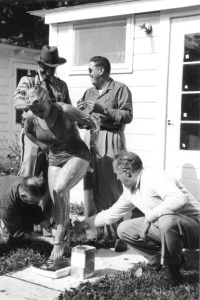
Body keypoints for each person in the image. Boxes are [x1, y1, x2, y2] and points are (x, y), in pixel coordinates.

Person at [85, 151, 200, 286]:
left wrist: (149, 217)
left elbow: (179, 200)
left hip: (194, 228)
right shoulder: (131, 191)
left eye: (117, 173)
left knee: (166, 220)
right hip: (170, 230)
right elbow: (110, 215)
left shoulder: (154, 177)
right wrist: (84, 224)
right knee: (124, 229)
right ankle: (167, 260)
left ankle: (172, 274)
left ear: (126, 172)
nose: (116, 178)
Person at [24, 84, 99, 261]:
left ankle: (57, 243)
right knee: (59, 200)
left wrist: (93, 147)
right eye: (35, 111)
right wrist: (44, 147)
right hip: (55, 157)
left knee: (59, 189)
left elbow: (94, 123)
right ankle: (65, 244)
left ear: (48, 102)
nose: (39, 114)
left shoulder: (64, 110)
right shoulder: (31, 115)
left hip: (77, 153)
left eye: (41, 109)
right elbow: (28, 133)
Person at [77, 56, 133, 246]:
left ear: (101, 70)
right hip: (91, 138)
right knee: (90, 185)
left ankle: (118, 234)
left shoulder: (120, 89)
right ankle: (93, 233)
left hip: (111, 137)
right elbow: (81, 120)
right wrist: (79, 115)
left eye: (90, 70)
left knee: (111, 186)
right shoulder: (88, 92)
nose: (89, 74)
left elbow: (127, 115)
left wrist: (104, 110)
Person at [14, 45, 71, 177]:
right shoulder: (29, 81)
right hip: (33, 133)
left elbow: (67, 109)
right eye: (45, 68)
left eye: (52, 68)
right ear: (39, 64)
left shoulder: (61, 85)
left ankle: (47, 198)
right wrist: (36, 105)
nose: (49, 72)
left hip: (54, 135)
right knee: (29, 174)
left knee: (53, 175)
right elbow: (17, 102)